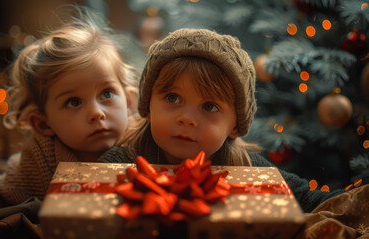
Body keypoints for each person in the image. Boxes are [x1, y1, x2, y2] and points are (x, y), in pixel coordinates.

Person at [99, 28, 345, 213]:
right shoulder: (121, 163)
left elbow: (317, 202)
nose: (186, 118)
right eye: (173, 98)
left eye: (209, 106)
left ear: (235, 126)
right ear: (148, 107)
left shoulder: (250, 170)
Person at [0, 5, 137, 233]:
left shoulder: (143, 141)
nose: (96, 113)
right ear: (43, 123)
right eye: (73, 102)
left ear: (130, 101)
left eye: (106, 94)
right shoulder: (41, 162)